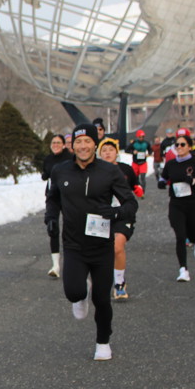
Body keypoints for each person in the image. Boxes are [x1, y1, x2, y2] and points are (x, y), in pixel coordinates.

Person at [45, 123, 138, 361]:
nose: (83, 146)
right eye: (78, 142)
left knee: (102, 299)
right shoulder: (60, 171)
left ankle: (103, 342)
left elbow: (131, 203)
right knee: (73, 292)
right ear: (72, 145)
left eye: (87, 141)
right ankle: (81, 294)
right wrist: (51, 218)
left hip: (101, 245)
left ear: (95, 144)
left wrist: (115, 213)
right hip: (74, 244)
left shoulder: (109, 171)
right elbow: (53, 199)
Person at [159, 134, 195, 282]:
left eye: (182, 145)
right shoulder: (171, 164)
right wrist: (161, 183)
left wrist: (194, 182)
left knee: (192, 234)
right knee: (180, 236)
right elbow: (164, 177)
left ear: (189, 146)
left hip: (193, 203)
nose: (179, 147)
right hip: (176, 204)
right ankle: (183, 270)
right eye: (177, 145)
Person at [97, 138, 143, 299]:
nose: (107, 153)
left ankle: (119, 282)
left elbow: (134, 185)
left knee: (117, 247)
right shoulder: (95, 171)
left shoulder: (125, 169)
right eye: (104, 150)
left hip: (123, 214)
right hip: (103, 215)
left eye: (111, 150)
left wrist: (137, 189)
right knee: (102, 251)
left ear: (116, 152)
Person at [41, 134, 72, 278]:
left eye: (59, 142)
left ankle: (70, 262)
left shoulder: (70, 158)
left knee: (69, 228)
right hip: (52, 196)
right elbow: (45, 174)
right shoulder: (48, 159)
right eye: (53, 143)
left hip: (67, 196)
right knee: (52, 226)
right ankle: (55, 266)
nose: (56, 145)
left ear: (64, 145)